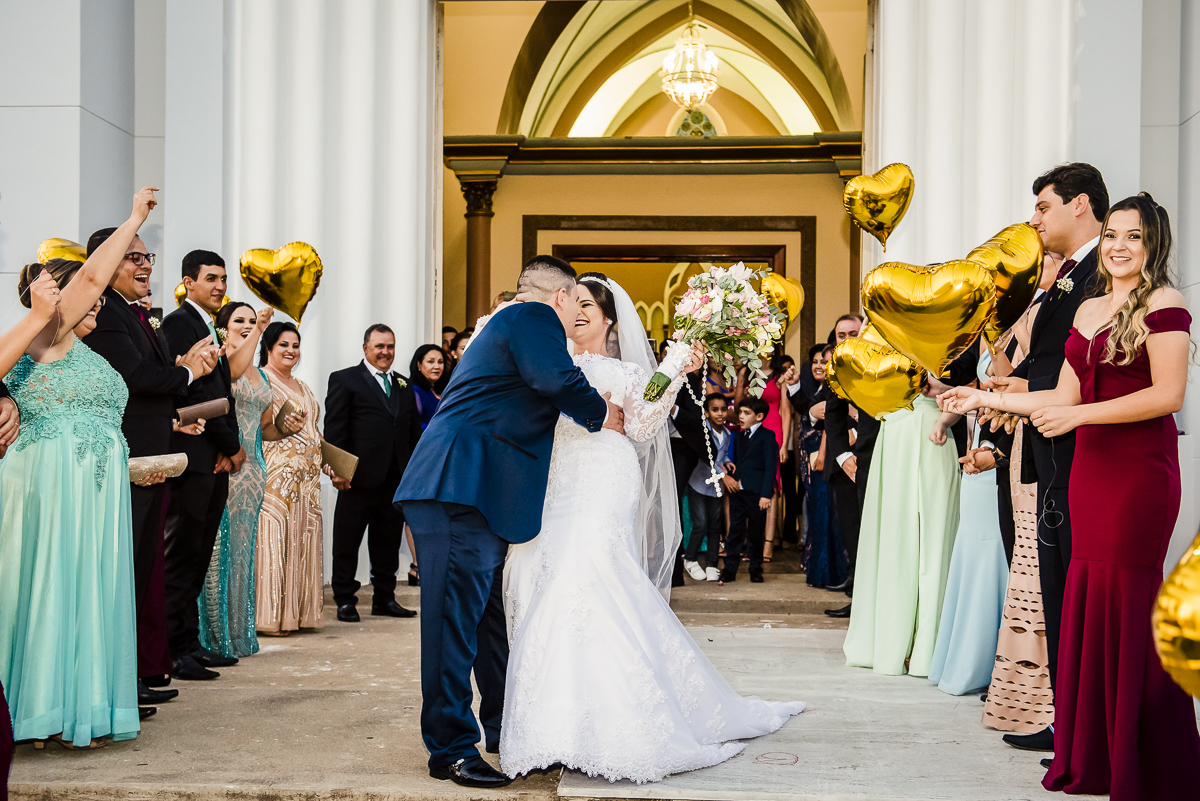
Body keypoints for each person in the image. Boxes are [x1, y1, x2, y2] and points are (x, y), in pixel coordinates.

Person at [941, 193, 1200, 799]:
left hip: (1139, 474)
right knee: (1088, 600)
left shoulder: (1166, 304)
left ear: (1153, 244)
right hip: (1089, 474)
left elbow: (1167, 397)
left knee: (1131, 603)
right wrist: (986, 400)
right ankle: (1096, 756)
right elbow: (1062, 398)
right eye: (1112, 234)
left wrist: (1082, 420)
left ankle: (1155, 757)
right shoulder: (1085, 311)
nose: (1118, 246)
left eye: (1134, 237)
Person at [501, 271, 803, 783]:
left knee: (588, 572)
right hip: (556, 481)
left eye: (588, 308)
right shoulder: (548, 356)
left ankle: (615, 719)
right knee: (545, 576)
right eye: (572, 304)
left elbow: (641, 425)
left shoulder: (629, 373)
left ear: (609, 320)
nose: (577, 314)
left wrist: (672, 367)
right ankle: (558, 719)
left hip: (603, 479)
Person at [397, 256, 622, 788]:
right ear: (561, 296)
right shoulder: (530, 317)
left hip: (476, 494)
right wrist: (600, 412)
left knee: (486, 623)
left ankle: (502, 726)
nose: (574, 318)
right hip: (458, 489)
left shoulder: (509, 325)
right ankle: (450, 748)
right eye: (576, 303)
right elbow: (554, 377)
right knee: (454, 625)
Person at [0, 187, 158, 747]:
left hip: (94, 497)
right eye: (85, 298)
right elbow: (93, 279)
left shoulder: (90, 353)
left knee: (88, 592)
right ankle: (39, 707)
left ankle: (79, 703)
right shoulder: (47, 335)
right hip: (51, 488)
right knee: (49, 588)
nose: (96, 304)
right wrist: (135, 217)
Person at [979, 163, 1109, 754]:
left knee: (1070, 587)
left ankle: (1079, 723)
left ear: (1080, 204)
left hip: (1077, 447)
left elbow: (1074, 366)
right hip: (1048, 443)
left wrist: (1004, 392)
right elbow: (1048, 360)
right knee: (1057, 586)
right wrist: (1004, 392)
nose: (1034, 219)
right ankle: (1068, 717)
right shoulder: (1064, 280)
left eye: (1043, 207)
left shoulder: (1100, 275)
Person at [82, 226, 219, 704]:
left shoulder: (133, 313)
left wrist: (175, 413)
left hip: (154, 453)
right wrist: (187, 372)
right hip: (129, 459)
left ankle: (140, 669)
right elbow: (134, 378)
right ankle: (127, 675)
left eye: (147, 256)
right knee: (130, 570)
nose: (144, 265)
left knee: (145, 568)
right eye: (132, 256)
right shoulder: (105, 314)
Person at [197, 302, 299, 658]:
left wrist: (285, 427)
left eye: (252, 321)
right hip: (227, 464)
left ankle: (239, 635)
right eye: (239, 320)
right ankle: (212, 637)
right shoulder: (222, 364)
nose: (247, 325)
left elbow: (265, 429)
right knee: (216, 551)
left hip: (254, 470)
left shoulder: (262, 375)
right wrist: (259, 329)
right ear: (223, 326)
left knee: (242, 553)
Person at [161, 250, 244, 681]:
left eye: (223, 279)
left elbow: (221, 389)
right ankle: (173, 649)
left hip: (211, 455)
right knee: (182, 554)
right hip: (194, 456)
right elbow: (189, 394)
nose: (219, 286)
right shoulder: (179, 324)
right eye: (210, 278)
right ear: (188, 281)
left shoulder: (206, 324)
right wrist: (230, 444)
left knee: (197, 555)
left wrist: (228, 445)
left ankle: (189, 643)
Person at [842, 384, 961, 677]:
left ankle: (927, 646)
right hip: (894, 430)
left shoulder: (960, 342)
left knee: (932, 538)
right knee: (893, 540)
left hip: (935, 426)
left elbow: (966, 386)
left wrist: (933, 385)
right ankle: (893, 643)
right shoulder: (881, 341)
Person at [980, 294, 1054, 735]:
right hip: (1016, 447)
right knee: (1020, 563)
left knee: (1038, 571)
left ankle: (1040, 693)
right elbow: (1002, 382)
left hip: (1038, 442)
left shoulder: (1053, 310)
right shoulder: (1019, 318)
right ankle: (1020, 686)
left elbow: (1019, 381)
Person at [326, 324, 422, 623]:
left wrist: (412, 475)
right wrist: (340, 471)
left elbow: (410, 434)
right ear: (366, 347)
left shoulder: (404, 385)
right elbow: (335, 430)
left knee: (387, 542)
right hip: (356, 478)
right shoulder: (345, 379)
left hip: (394, 479)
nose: (385, 352)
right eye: (379, 346)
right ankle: (344, 599)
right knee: (347, 541)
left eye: (390, 346)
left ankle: (385, 597)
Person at [926, 348, 1009, 696]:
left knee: (997, 555)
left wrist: (995, 450)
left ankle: (1002, 663)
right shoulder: (982, 337)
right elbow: (964, 384)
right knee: (974, 552)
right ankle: (969, 657)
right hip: (978, 442)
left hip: (1001, 447)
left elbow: (1010, 390)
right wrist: (946, 419)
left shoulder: (1020, 329)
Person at [257, 322, 327, 636]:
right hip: (278, 476)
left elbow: (313, 431)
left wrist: (330, 461)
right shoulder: (261, 380)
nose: (291, 351)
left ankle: (299, 614)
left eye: (295, 345)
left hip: (308, 481)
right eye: (284, 344)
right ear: (269, 347)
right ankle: (270, 617)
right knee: (276, 538)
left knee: (303, 539)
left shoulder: (303, 385)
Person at [719, 397, 778, 584]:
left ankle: (755, 568)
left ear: (759, 416)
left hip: (756, 493)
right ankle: (730, 569)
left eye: (746, 413)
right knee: (735, 530)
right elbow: (738, 461)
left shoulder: (767, 436)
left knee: (755, 531)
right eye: (740, 412)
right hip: (739, 490)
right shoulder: (739, 436)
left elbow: (771, 467)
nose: (741, 417)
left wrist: (766, 495)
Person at [800, 346, 845, 589]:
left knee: (829, 515)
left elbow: (831, 422)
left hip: (826, 457)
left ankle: (832, 572)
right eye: (819, 361)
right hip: (818, 456)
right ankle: (821, 571)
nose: (823, 366)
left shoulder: (840, 385)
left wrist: (823, 455)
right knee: (819, 516)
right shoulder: (820, 388)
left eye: (827, 361)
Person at [682, 393, 732, 581]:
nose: (720, 414)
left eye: (723, 409)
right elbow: (707, 460)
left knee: (715, 525)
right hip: (699, 483)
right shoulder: (703, 432)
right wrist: (723, 475)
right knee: (701, 522)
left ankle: (712, 563)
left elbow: (722, 455)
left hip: (716, 487)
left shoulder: (726, 433)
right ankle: (690, 558)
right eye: (715, 410)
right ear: (706, 412)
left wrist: (727, 463)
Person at [409, 345, 447, 430]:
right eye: (430, 362)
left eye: (440, 362)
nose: (437, 366)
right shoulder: (415, 391)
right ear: (419, 365)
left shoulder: (445, 389)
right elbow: (413, 424)